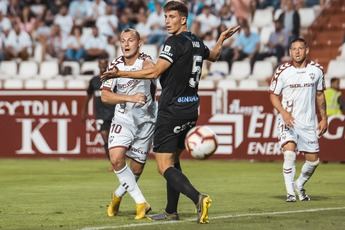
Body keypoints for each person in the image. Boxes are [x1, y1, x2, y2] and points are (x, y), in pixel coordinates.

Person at [101, 1, 240, 224]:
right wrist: (222, 40)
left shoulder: (173, 43)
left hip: (172, 109)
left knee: (163, 166)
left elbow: (154, 72)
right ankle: (171, 211)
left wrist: (119, 75)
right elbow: (213, 56)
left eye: (172, 17)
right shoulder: (195, 41)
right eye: (165, 17)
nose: (167, 21)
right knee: (173, 160)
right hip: (191, 107)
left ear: (183, 19)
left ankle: (198, 198)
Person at [101, 28, 157, 220]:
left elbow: (153, 72)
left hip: (146, 121)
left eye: (130, 40)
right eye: (123, 41)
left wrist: (123, 74)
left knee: (136, 170)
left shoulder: (146, 60)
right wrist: (130, 97)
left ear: (139, 43)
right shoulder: (115, 65)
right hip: (123, 119)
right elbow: (105, 96)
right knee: (116, 159)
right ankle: (141, 202)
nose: (126, 44)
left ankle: (116, 196)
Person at [269, 38, 328, 202]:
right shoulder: (283, 71)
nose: (297, 52)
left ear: (306, 50)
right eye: (294, 49)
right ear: (290, 52)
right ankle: (290, 193)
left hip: (308, 123)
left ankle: (299, 184)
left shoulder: (317, 70)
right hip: (288, 120)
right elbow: (273, 95)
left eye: (300, 48)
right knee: (289, 153)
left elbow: (320, 95)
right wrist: (283, 113)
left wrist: (324, 118)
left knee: (313, 161)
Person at [81, 59, 114, 160]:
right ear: (98, 65)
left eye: (104, 64)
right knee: (105, 137)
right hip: (101, 114)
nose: (102, 66)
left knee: (114, 140)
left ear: (107, 65)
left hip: (113, 112)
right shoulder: (94, 80)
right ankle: (112, 163)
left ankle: (119, 160)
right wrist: (84, 111)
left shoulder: (112, 79)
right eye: (101, 63)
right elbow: (88, 96)